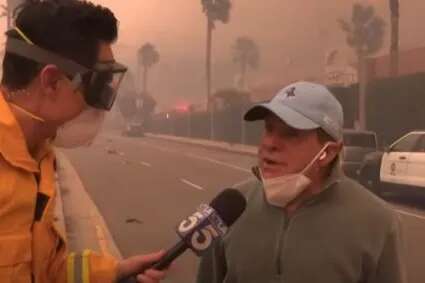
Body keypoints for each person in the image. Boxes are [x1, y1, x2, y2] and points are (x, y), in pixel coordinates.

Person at [0, 1, 166, 282]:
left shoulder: (38, 157)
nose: (101, 107)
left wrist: (114, 272)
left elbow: (45, 269)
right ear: (51, 81)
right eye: (97, 85)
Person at [197, 81, 405, 283]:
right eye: (269, 129)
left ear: (328, 152)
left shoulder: (378, 222)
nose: (270, 143)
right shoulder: (230, 208)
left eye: (290, 134)